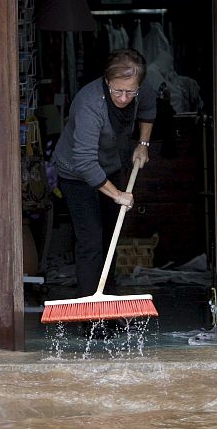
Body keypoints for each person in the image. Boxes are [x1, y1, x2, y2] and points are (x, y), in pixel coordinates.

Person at [52, 48, 156, 300]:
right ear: (107, 81)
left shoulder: (141, 92)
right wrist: (118, 194)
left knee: (111, 237)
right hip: (76, 174)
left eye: (129, 92)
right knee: (91, 241)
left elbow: (148, 110)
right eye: (117, 90)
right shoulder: (89, 104)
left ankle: (108, 302)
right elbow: (85, 162)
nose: (123, 97)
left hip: (110, 167)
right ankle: (90, 311)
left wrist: (143, 144)